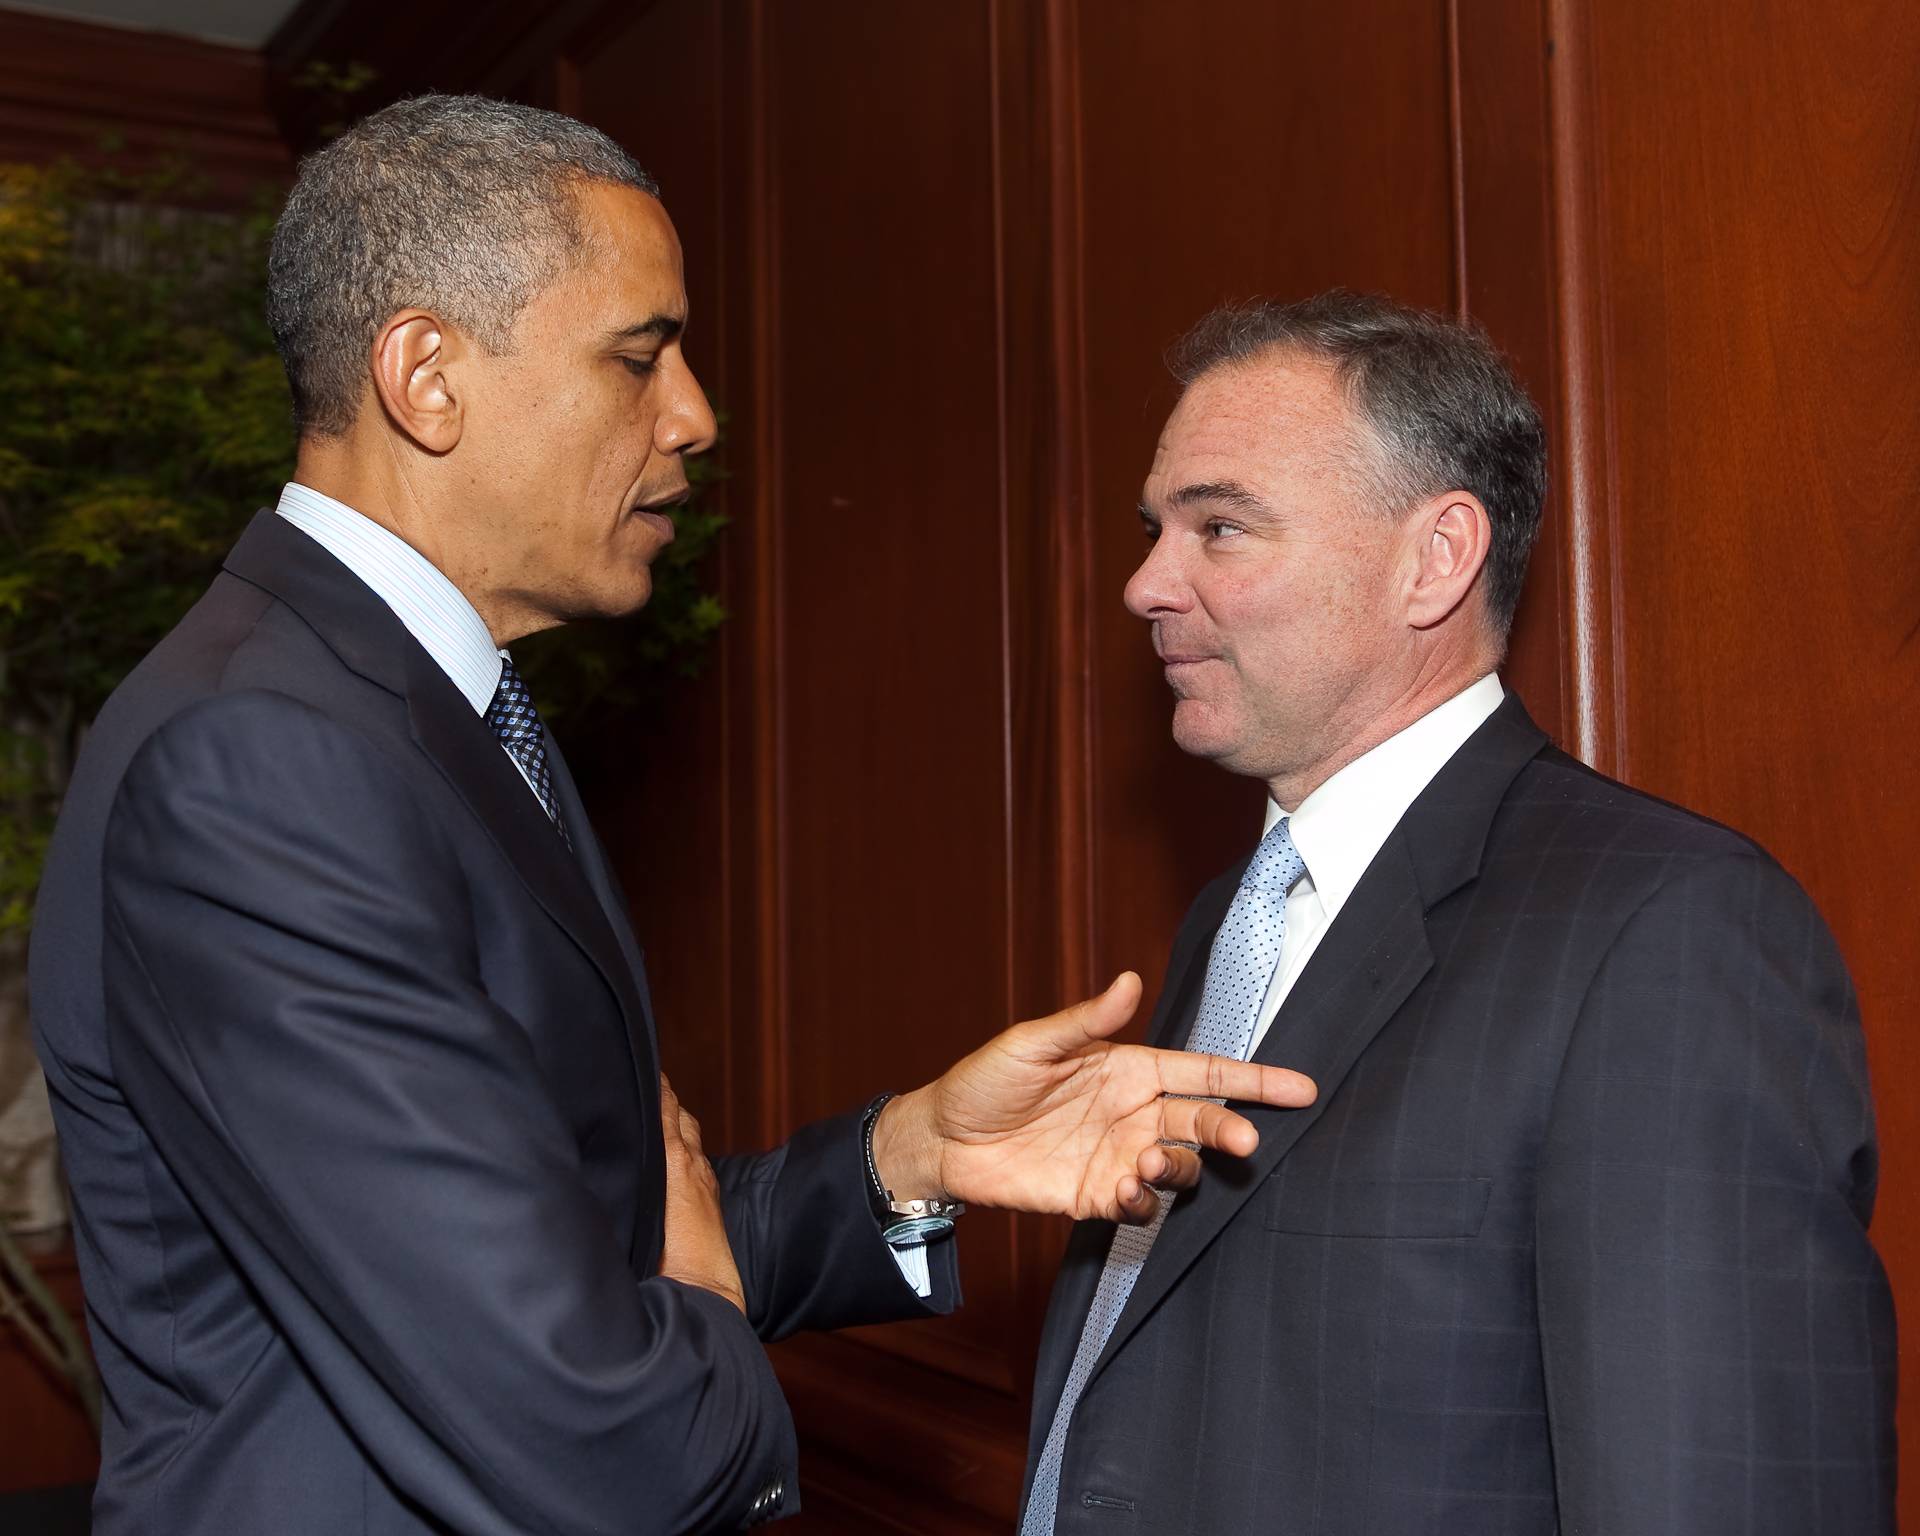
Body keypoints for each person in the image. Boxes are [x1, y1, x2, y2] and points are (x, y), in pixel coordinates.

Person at [27, 96, 1317, 1536]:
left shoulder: (413, 712)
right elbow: (583, 1420)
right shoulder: (262, 761)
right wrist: (701, 1302)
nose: (694, 414)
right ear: (425, 377)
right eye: (639, 356)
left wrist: (913, 1156)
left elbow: (594, 1224)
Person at [1017, 291, 1896, 1534]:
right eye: (1155, 530)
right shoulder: (1235, 915)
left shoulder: (1667, 929)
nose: (1145, 584)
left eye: (1220, 527)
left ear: (1435, 559)